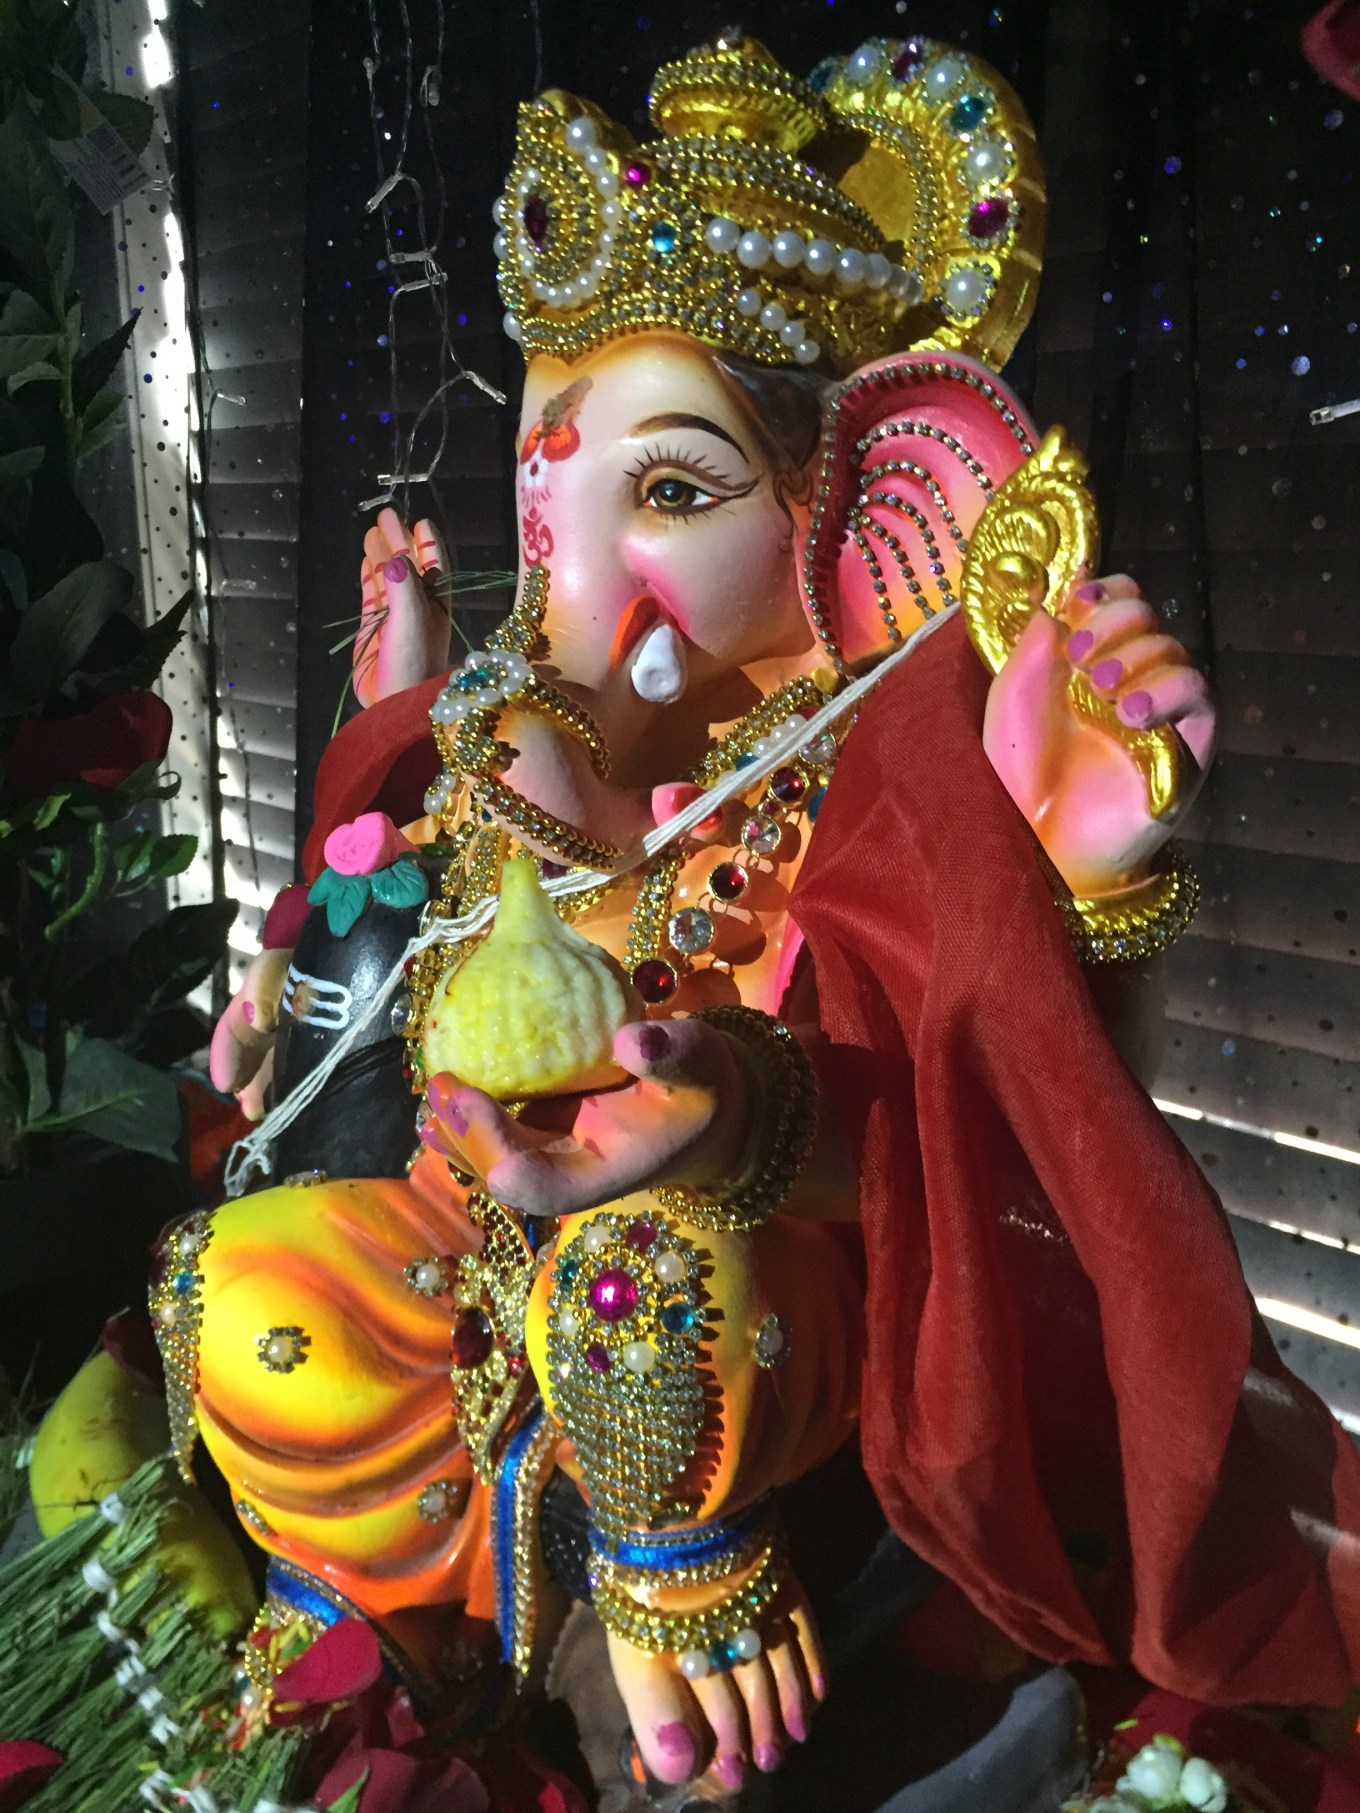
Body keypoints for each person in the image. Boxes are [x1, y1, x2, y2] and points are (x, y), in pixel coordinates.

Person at [194, 29, 1360, 1797]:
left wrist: (1087, 882)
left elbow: (1000, 1142)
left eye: (671, 491)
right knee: (244, 1292)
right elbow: (409, 995)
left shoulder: (878, 762)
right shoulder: (536, 746)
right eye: (546, 478)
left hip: (758, 1292)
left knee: (647, 1282)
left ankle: (679, 1583)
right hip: (470, 1262)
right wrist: (330, 936)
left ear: (868, 508)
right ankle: (390, 1619)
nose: (571, 560)